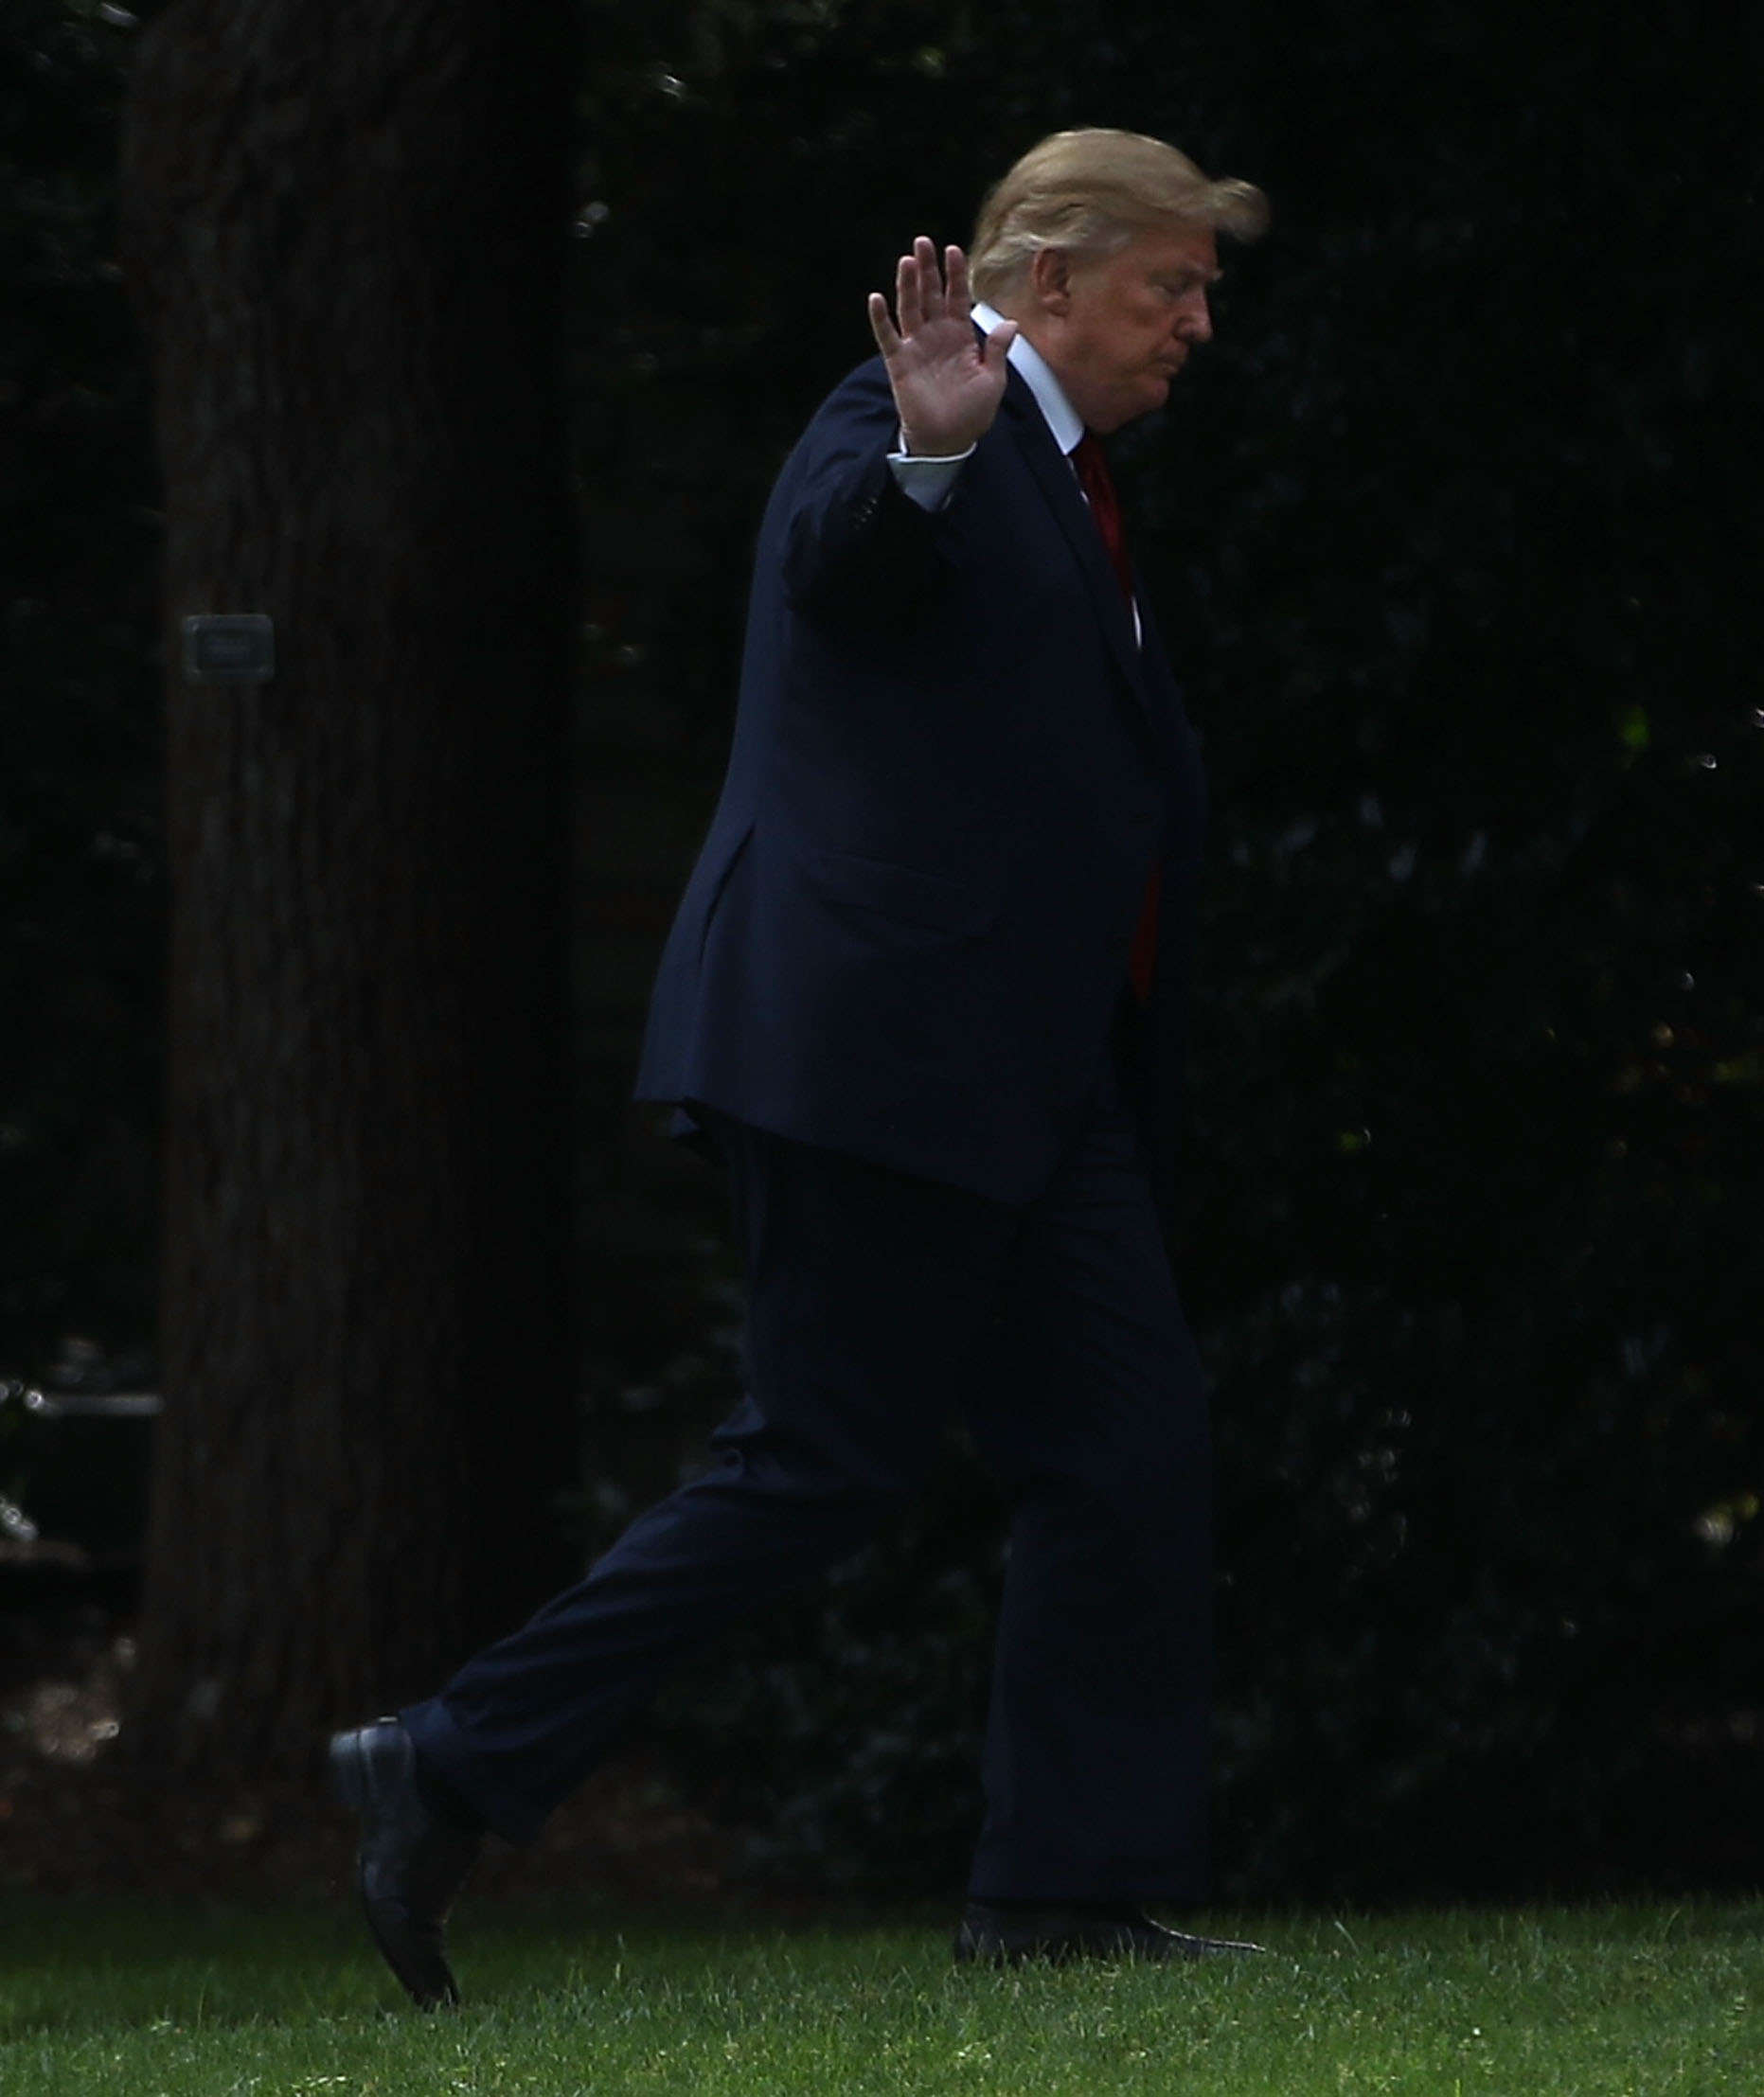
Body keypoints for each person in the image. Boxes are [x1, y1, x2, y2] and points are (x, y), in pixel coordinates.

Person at [328, 128, 1270, 2006]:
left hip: (1027, 1075)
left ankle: (1063, 1896)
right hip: (878, 1050)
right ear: (1051, 280)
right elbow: (840, 565)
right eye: (1169, 284)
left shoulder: (1072, 482)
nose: (1197, 323)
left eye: (1203, 290)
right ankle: (443, 1761)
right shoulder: (909, 412)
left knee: (1130, 1448)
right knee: (823, 1462)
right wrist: (926, 453)